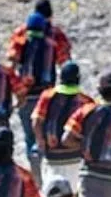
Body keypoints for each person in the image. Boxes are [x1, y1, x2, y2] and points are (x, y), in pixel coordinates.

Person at [10, 13, 59, 188]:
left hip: (27, 96)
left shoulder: (22, 45)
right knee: (45, 133)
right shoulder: (52, 46)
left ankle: (37, 176)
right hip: (48, 97)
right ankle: (49, 173)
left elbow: (12, 67)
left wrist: (16, 94)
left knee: (30, 135)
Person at [32, 61, 94, 190]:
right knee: (73, 194)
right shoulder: (86, 101)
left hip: (51, 156)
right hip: (75, 157)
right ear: (78, 78)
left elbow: (37, 121)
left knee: (51, 192)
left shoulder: (48, 96)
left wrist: (40, 141)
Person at [7, 0, 73, 69]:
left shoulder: (22, 31)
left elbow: (13, 56)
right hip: (47, 77)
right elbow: (64, 59)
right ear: (50, 16)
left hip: (25, 77)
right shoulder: (56, 33)